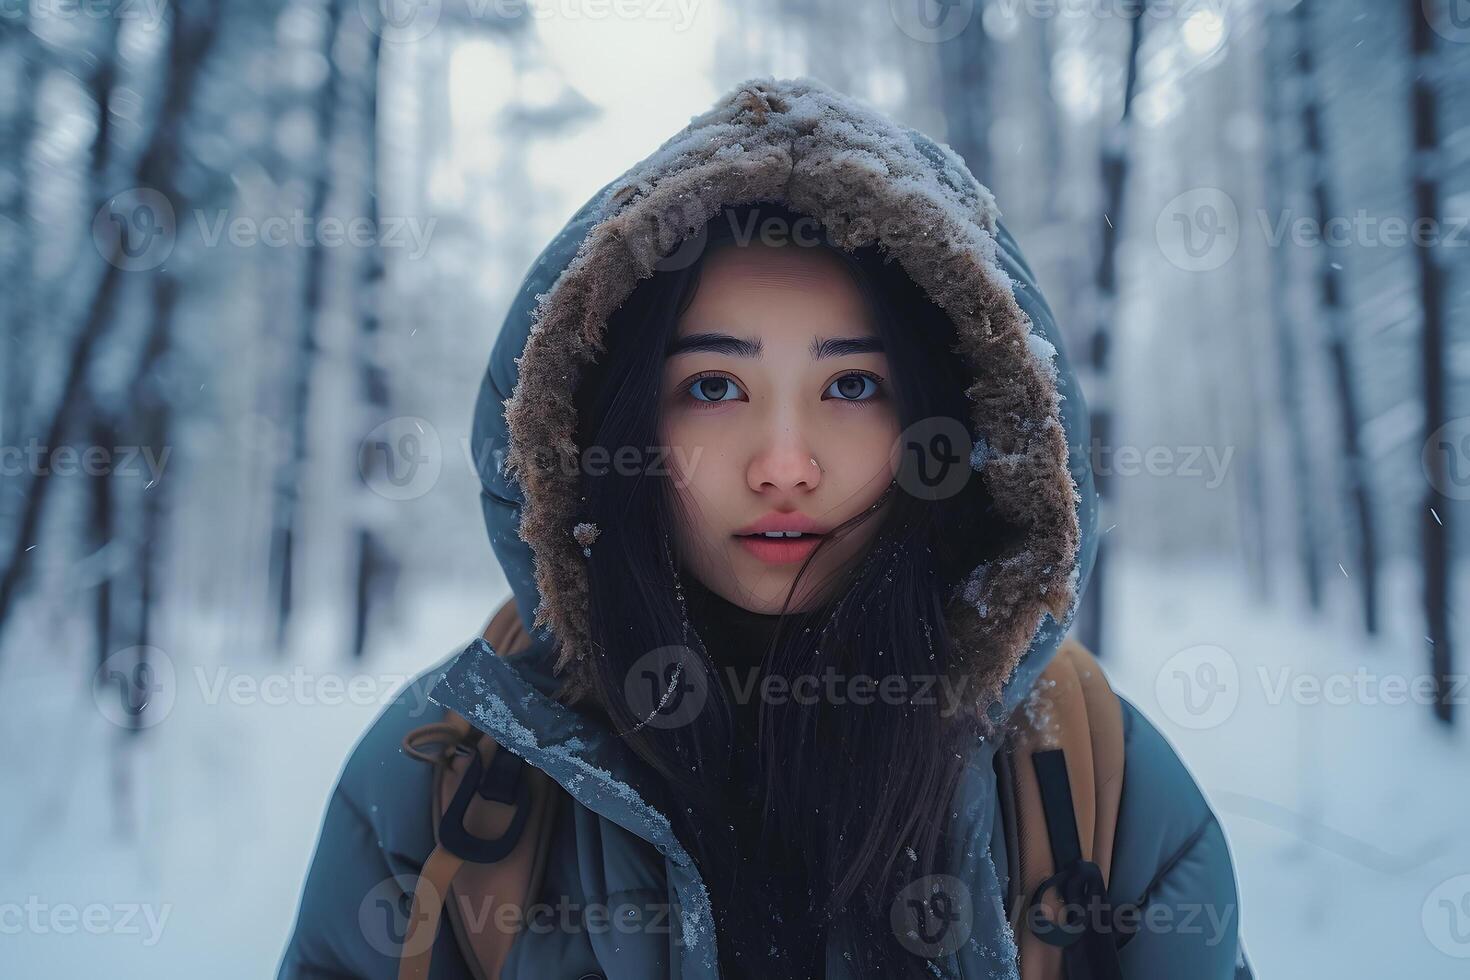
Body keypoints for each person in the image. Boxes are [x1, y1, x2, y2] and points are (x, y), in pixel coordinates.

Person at [278, 76, 1247, 979]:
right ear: (613, 421)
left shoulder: (1091, 776)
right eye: (714, 385)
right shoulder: (438, 778)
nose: (785, 461)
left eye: (852, 384)